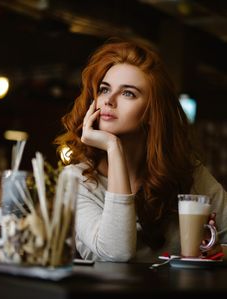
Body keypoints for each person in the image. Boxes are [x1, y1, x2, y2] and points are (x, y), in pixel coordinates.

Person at [54, 38, 227, 262]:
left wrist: (218, 252)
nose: (109, 100)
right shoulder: (77, 180)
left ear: (151, 114)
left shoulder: (189, 174)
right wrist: (113, 147)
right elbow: (117, 253)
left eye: (128, 93)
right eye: (105, 89)